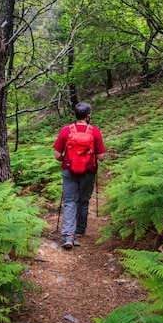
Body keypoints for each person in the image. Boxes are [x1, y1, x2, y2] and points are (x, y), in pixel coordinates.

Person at [53, 102, 106, 249]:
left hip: (69, 171)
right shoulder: (95, 132)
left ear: (76, 115)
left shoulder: (66, 131)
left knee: (70, 201)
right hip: (88, 172)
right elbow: (101, 157)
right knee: (83, 200)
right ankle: (80, 230)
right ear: (88, 116)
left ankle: (68, 236)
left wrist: (69, 159)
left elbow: (57, 155)